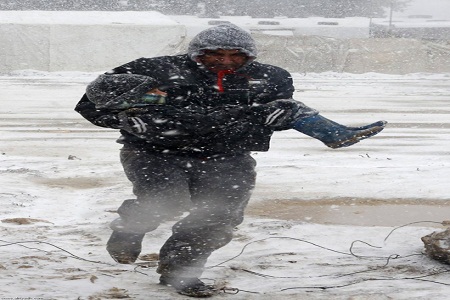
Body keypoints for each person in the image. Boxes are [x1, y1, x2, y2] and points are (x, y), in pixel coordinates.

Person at [75, 24, 386, 297]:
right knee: (166, 201)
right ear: (198, 51)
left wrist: (278, 116)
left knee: (218, 217)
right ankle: (130, 227)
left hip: (227, 155)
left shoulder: (271, 77)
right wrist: (123, 119)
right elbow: (91, 102)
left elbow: (262, 116)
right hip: (155, 151)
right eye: (215, 54)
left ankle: (180, 273)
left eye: (235, 55)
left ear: (248, 55)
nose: (225, 61)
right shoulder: (155, 69)